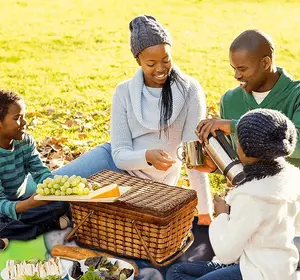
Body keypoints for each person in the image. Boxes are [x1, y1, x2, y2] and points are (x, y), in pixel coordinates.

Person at [43, 15, 213, 225]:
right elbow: (119, 155)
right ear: (138, 61)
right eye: (151, 63)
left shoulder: (189, 91)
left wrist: (205, 212)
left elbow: (192, 156)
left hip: (152, 185)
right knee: (47, 188)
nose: (160, 68)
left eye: (166, 60)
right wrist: (147, 156)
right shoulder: (124, 92)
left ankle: (63, 218)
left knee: (93, 217)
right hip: (114, 163)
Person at [166, 108, 300, 280]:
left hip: (260, 275)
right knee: (175, 274)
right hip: (269, 265)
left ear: (244, 150)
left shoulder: (251, 196)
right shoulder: (291, 177)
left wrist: (222, 215)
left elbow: (226, 252)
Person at [196, 29, 300, 170]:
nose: (236, 75)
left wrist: (235, 127)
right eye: (234, 68)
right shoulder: (230, 100)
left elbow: (297, 144)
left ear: (266, 63)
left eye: (242, 69)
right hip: (249, 189)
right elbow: (237, 160)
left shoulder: (296, 95)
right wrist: (215, 166)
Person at [0, 90, 70, 247]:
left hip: (20, 203)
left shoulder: (25, 141)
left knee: (62, 204)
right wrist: (31, 204)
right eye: (17, 118)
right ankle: (47, 226)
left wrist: (54, 189)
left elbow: (40, 172)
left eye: (24, 116)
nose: (24, 122)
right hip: (4, 207)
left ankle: (11, 233)